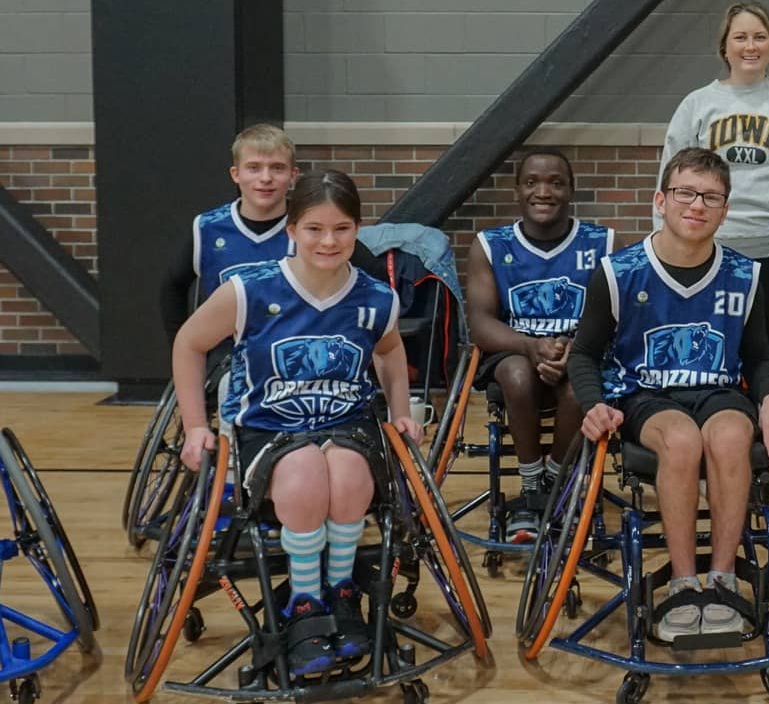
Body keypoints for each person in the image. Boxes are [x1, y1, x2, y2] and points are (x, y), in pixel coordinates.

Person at [172, 170, 425, 675]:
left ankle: (343, 593)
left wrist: (401, 411)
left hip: (346, 423)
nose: (329, 241)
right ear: (291, 229)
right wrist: (196, 425)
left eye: (342, 229)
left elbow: (391, 352)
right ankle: (304, 603)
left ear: (358, 230)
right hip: (268, 427)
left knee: (353, 476)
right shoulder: (249, 290)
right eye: (314, 228)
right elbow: (189, 343)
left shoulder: (377, 298)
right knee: (306, 472)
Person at [569, 147, 769, 645]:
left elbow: (758, 358)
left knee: (734, 435)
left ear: (725, 209)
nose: (697, 205)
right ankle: (682, 580)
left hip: (717, 390)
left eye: (711, 197)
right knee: (680, 439)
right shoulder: (618, 272)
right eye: (686, 193)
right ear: (661, 200)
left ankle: (720, 579)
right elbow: (583, 354)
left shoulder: (746, 275)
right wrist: (593, 404)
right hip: (644, 394)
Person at [465, 148, 614, 544]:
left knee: (579, 385)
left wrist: (576, 350)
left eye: (555, 183)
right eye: (532, 182)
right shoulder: (490, 245)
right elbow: (480, 321)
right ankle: (533, 487)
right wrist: (530, 347)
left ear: (571, 190)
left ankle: (554, 483)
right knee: (516, 373)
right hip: (513, 351)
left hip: (581, 352)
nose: (543, 192)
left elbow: (619, 316)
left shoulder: (605, 242)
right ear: (518, 190)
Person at [661, 1, 769, 328]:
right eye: (740, 37)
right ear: (724, 46)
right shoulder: (697, 104)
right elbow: (668, 185)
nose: (750, 46)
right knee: (709, 343)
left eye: (760, 37)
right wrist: (665, 247)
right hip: (709, 251)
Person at [157, 123, 301, 344]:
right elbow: (173, 287)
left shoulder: (309, 226)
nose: (265, 178)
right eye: (254, 168)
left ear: (293, 175)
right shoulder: (208, 227)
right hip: (227, 361)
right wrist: (182, 349)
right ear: (236, 174)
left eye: (277, 168)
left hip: (291, 361)